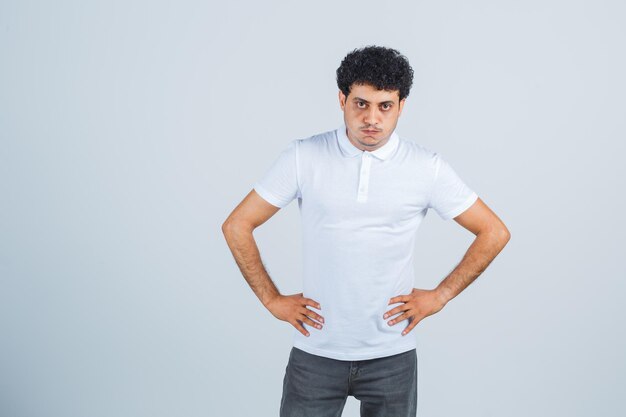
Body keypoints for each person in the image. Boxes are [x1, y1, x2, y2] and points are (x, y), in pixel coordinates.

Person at [222, 45, 510, 417]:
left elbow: (493, 232)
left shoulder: (426, 168)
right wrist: (270, 299)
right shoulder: (304, 156)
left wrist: (440, 296)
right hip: (316, 352)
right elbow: (237, 225)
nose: (372, 118)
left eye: (385, 106)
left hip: (391, 355)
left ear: (401, 106)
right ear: (342, 99)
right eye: (361, 103)